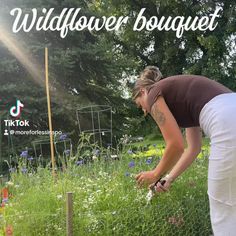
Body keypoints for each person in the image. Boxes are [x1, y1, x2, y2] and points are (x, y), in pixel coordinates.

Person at [133, 66, 236, 235]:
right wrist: (168, 178)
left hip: (227, 122)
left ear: (142, 91)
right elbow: (193, 149)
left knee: (223, 211)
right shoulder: (185, 97)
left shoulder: (152, 94)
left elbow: (175, 145)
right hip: (231, 109)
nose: (145, 111)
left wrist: (154, 173)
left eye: (140, 105)